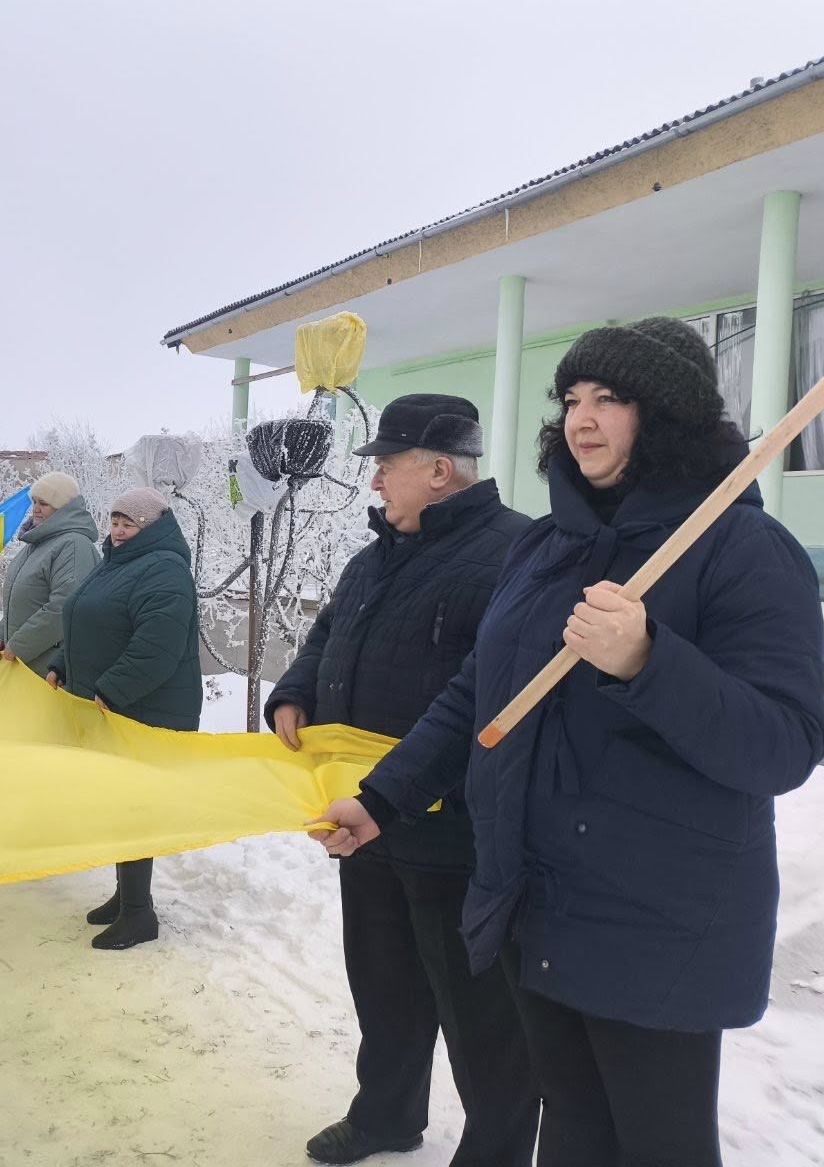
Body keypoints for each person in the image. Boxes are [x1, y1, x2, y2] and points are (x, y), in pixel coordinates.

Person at [314, 317, 824, 1167]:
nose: (582, 418)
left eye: (610, 398)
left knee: (657, 1147)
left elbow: (786, 742)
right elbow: (478, 695)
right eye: (573, 398)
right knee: (575, 1134)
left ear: (666, 415)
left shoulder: (744, 549)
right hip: (538, 901)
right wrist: (382, 798)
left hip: (654, 920)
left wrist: (648, 661)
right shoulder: (548, 547)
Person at [266, 395, 538, 1166]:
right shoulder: (375, 557)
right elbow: (327, 634)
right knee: (384, 989)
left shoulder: (513, 554)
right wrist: (295, 690)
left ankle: (496, 1151)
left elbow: (488, 698)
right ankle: (386, 1115)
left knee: (481, 1015)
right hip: (367, 819)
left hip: (455, 833)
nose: (376, 480)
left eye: (387, 464)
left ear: (440, 471)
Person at [46, 487, 201, 951]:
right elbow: (85, 622)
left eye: (128, 523)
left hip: (146, 710)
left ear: (151, 527)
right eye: (114, 521)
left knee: (135, 807)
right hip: (115, 708)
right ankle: (127, 897)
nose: (117, 530)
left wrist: (111, 689)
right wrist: (62, 663)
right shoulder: (116, 563)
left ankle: (138, 914)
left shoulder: (166, 570)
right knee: (118, 803)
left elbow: (157, 645)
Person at [0, 471, 101, 679]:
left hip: (49, 670)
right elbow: (22, 601)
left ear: (62, 508)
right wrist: (2, 633)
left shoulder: (73, 546)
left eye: (44, 503)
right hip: (23, 664)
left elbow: (63, 607)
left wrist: (20, 645)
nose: (36, 509)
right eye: (34, 502)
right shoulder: (36, 544)